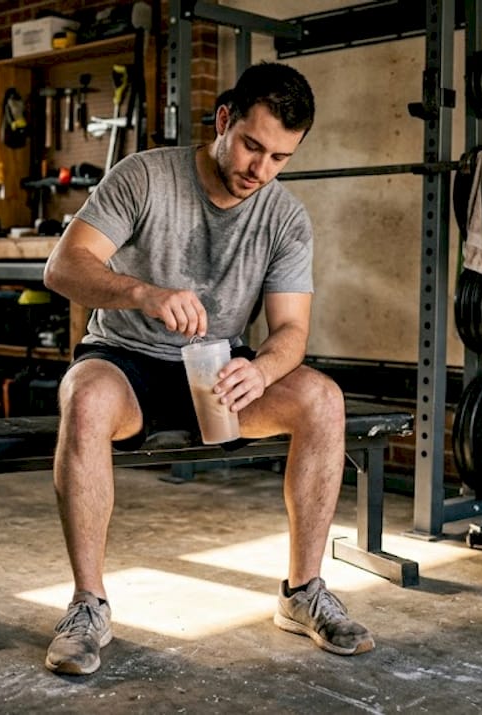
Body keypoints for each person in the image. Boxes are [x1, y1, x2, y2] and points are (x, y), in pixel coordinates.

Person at [41, 62, 373, 676]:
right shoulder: (143, 175)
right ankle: (88, 604)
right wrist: (142, 293)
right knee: (83, 397)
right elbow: (63, 268)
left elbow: (291, 331)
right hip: (127, 361)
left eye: (279, 157)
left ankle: (302, 593)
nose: (260, 170)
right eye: (252, 146)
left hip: (219, 372)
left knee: (322, 398)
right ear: (223, 120)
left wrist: (265, 369)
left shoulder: (285, 217)